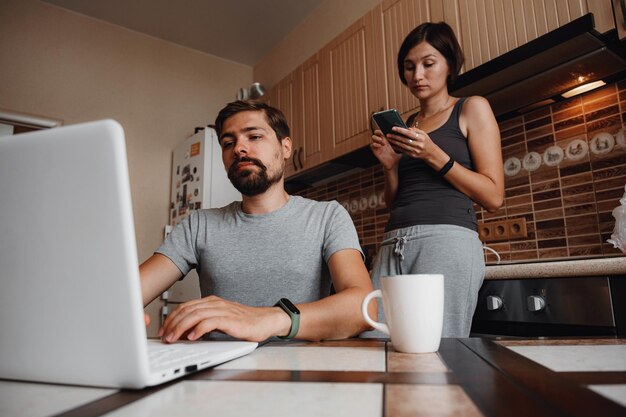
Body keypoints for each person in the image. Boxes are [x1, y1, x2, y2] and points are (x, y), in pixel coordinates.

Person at [140, 100, 376, 343]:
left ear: (286, 148)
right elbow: (129, 295)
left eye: (254, 136)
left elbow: (364, 308)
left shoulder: (327, 217)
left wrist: (270, 319)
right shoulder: (199, 225)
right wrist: (116, 311)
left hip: (301, 374)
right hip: (217, 375)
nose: (239, 149)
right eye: (227, 143)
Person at [368, 22, 504, 337]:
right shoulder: (408, 124)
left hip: (446, 241)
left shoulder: (472, 108)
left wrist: (433, 154)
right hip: (393, 243)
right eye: (409, 67)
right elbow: (393, 201)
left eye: (429, 64)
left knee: (436, 351)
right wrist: (390, 167)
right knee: (375, 343)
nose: (417, 75)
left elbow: (494, 196)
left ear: (450, 65)